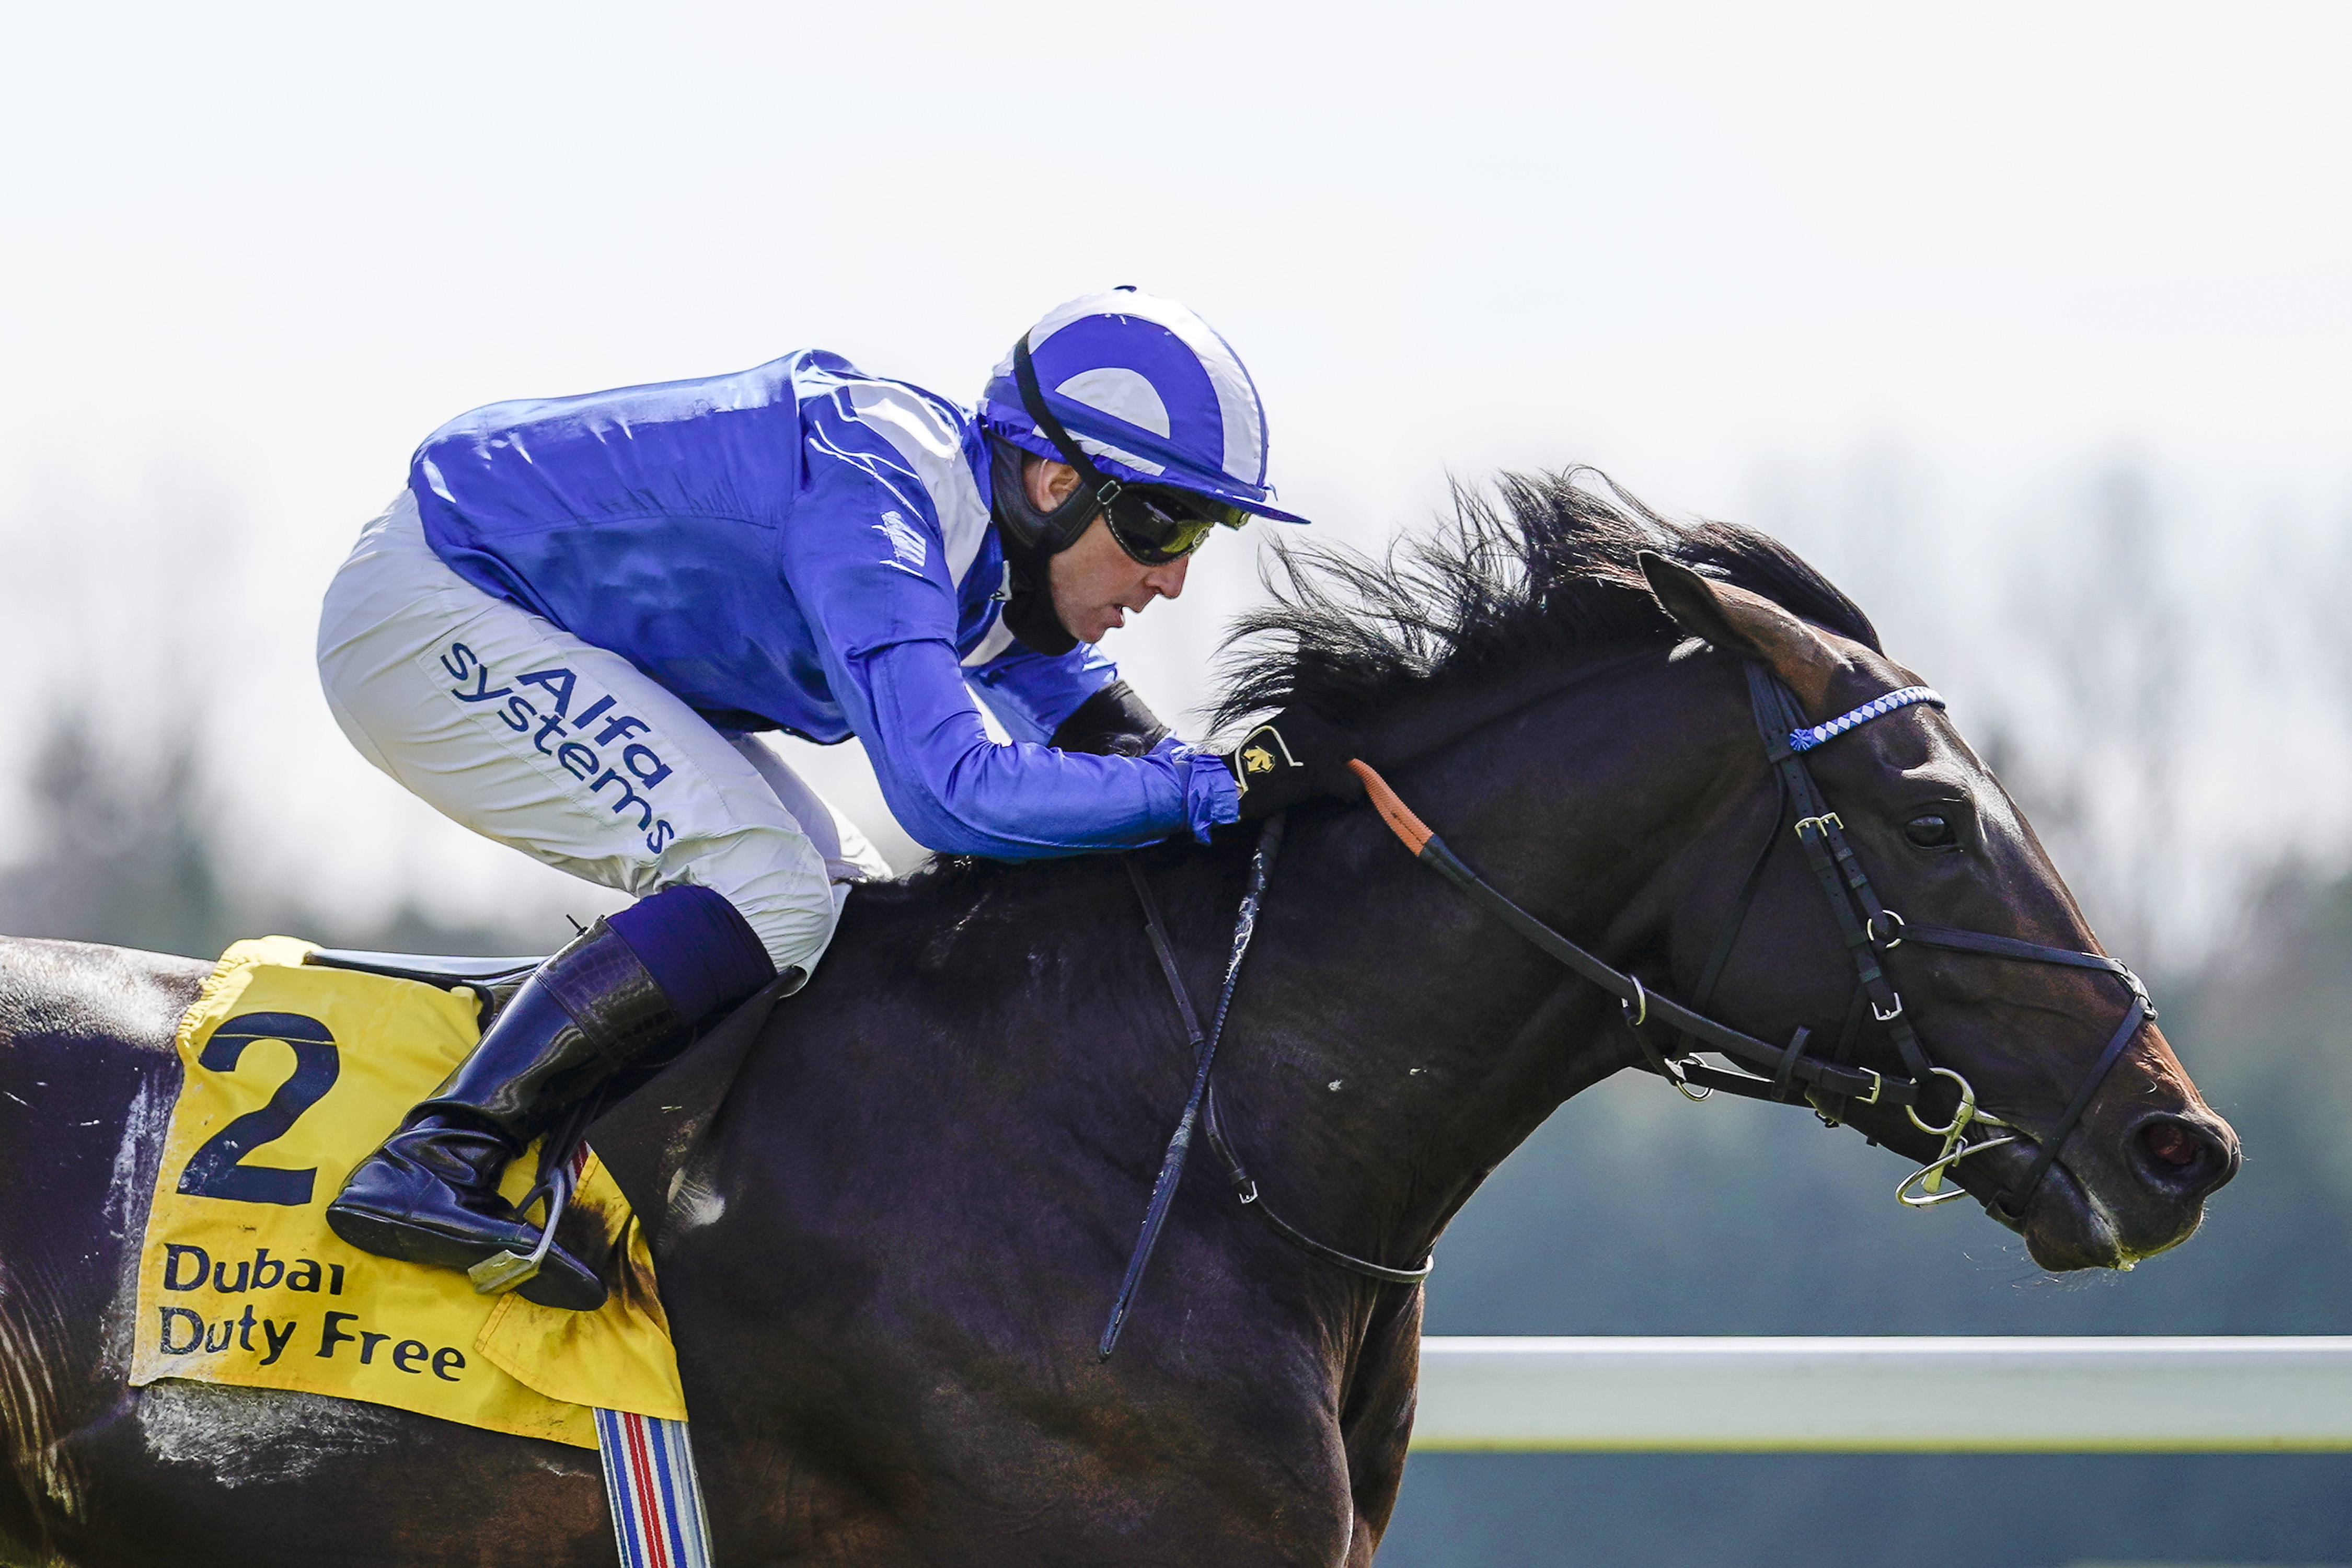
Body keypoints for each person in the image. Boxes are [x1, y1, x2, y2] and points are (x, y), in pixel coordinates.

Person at [315, 287, 1363, 1309]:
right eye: (1161, 527)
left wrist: (1276, 795)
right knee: (771, 891)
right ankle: (442, 1154)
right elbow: (953, 797)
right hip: (433, 604)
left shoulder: (996, 549)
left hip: (527, 616)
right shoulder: (878, 501)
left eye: (1199, 536)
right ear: (1054, 480)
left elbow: (1125, 751)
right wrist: (1214, 789)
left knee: (850, 918)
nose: (1170, 578)